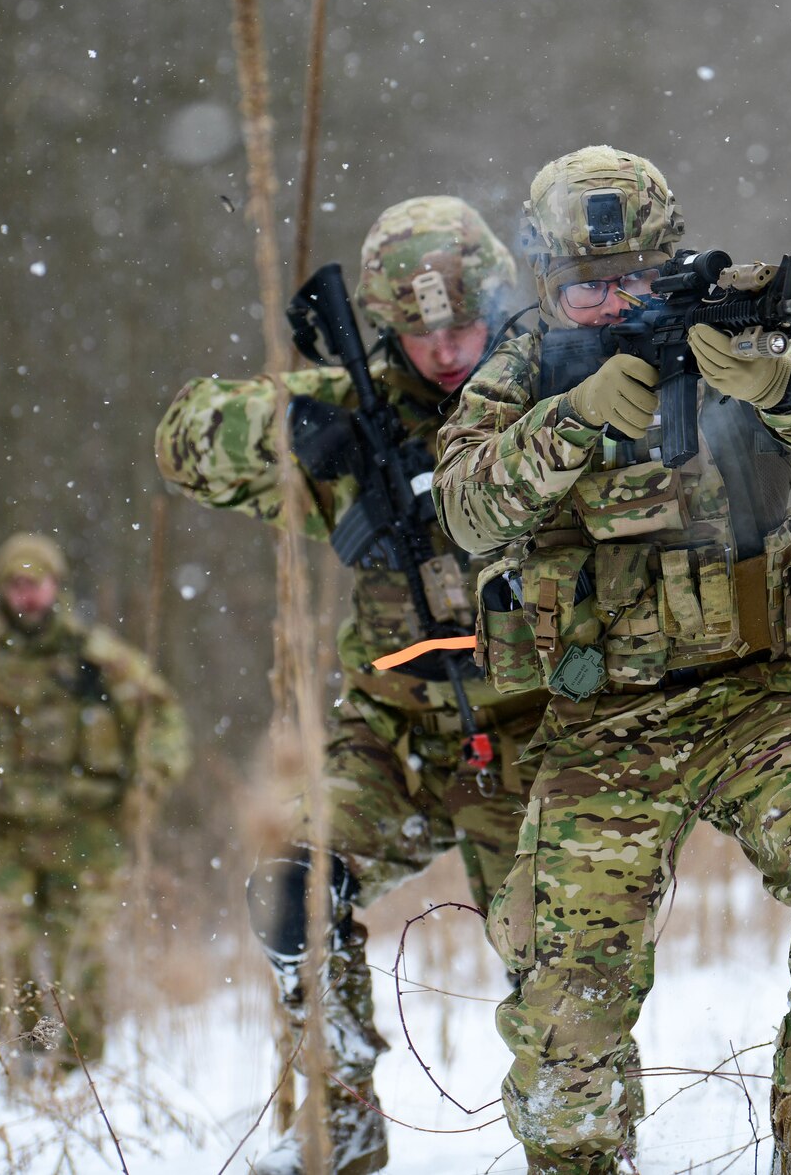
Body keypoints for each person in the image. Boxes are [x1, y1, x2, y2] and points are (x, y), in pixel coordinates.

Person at [431, 147, 791, 1174]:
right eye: (582, 286)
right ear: (541, 282)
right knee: (568, 1017)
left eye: (631, 280)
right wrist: (567, 422)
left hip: (758, 702)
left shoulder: (729, 329)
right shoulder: (523, 371)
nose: (612, 304)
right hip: (600, 724)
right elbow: (465, 505)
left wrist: (777, 385)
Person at [155, 195, 548, 1175]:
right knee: (293, 887)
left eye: (465, 324)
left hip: (543, 737)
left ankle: (573, 1146)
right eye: (422, 333)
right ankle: (341, 1118)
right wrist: (295, 426)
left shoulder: (547, 390)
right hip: (396, 736)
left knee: (561, 978)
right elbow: (182, 437)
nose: (451, 350)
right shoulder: (354, 404)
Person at [0, 532, 187, 1071]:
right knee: (3, 951)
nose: (27, 597)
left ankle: (75, 1068)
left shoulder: (98, 658)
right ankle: (28, 1052)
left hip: (86, 833)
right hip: (1, 835)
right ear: (2, 590)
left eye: (36, 584)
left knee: (79, 959)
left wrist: (148, 785)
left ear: (55, 586)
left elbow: (164, 718)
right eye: (16, 585)